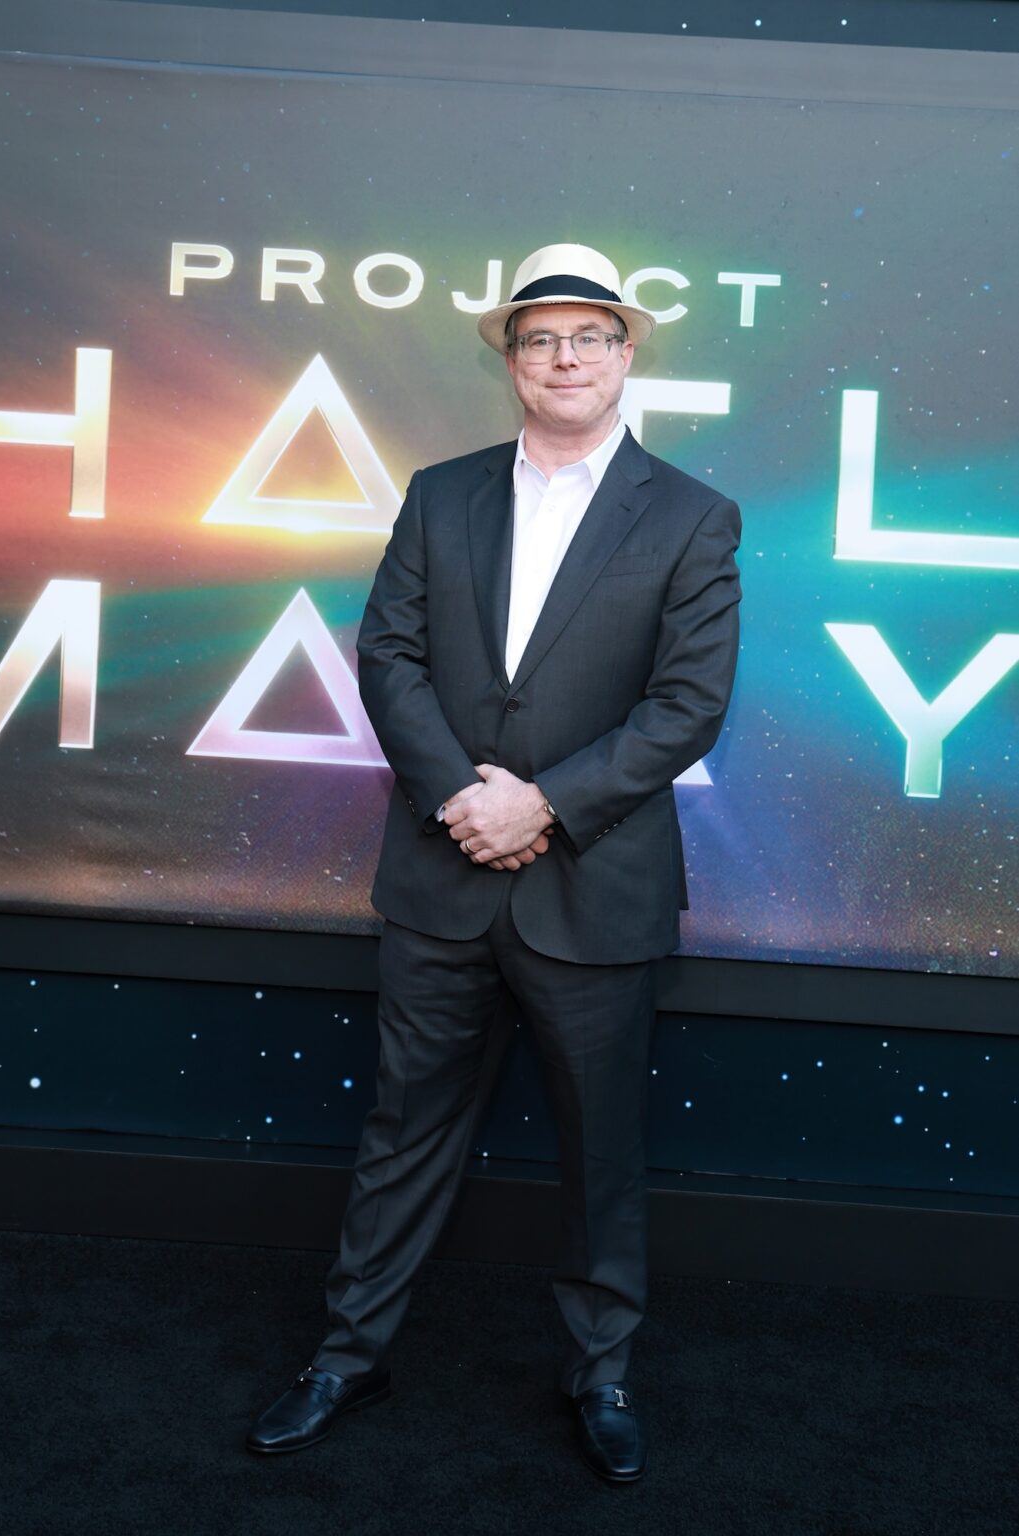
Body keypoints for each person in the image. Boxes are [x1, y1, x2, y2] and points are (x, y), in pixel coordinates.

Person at [246, 243, 742, 1482]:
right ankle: (347, 1359)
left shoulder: (690, 515)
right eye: (538, 339)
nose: (562, 358)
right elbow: (387, 661)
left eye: (586, 337)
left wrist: (546, 806)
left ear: (624, 355)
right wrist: (468, 797)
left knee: (601, 1152)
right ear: (510, 361)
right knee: (400, 1131)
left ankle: (603, 1373)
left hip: (596, 885)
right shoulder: (439, 492)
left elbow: (686, 706)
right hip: (441, 876)